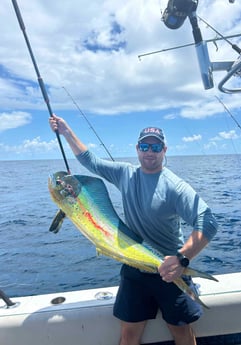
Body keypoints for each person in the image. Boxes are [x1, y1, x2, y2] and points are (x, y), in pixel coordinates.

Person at [49, 114, 218, 345]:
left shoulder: (175, 186)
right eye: (145, 146)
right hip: (134, 269)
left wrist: (182, 258)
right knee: (129, 335)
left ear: (164, 149)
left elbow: (208, 221)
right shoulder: (125, 173)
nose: (150, 151)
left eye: (155, 146)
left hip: (171, 269)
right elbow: (90, 161)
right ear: (137, 149)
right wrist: (66, 132)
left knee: (182, 333)